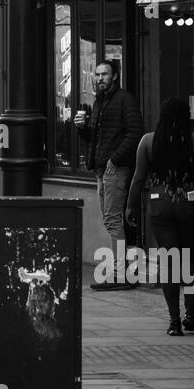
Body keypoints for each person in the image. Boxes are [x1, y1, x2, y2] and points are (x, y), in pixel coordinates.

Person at [126, 97, 194, 335]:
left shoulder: (148, 141)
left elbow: (139, 178)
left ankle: (174, 321)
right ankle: (190, 315)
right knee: (190, 258)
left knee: (169, 261)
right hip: (188, 202)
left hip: (159, 203)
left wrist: (130, 206)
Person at [74, 60, 143, 289]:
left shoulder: (125, 100)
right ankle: (118, 271)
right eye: (98, 74)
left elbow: (135, 133)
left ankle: (119, 274)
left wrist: (115, 159)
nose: (100, 78)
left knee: (113, 221)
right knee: (109, 220)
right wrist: (82, 128)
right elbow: (95, 139)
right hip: (101, 170)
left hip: (115, 169)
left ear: (115, 76)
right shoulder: (99, 102)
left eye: (105, 74)